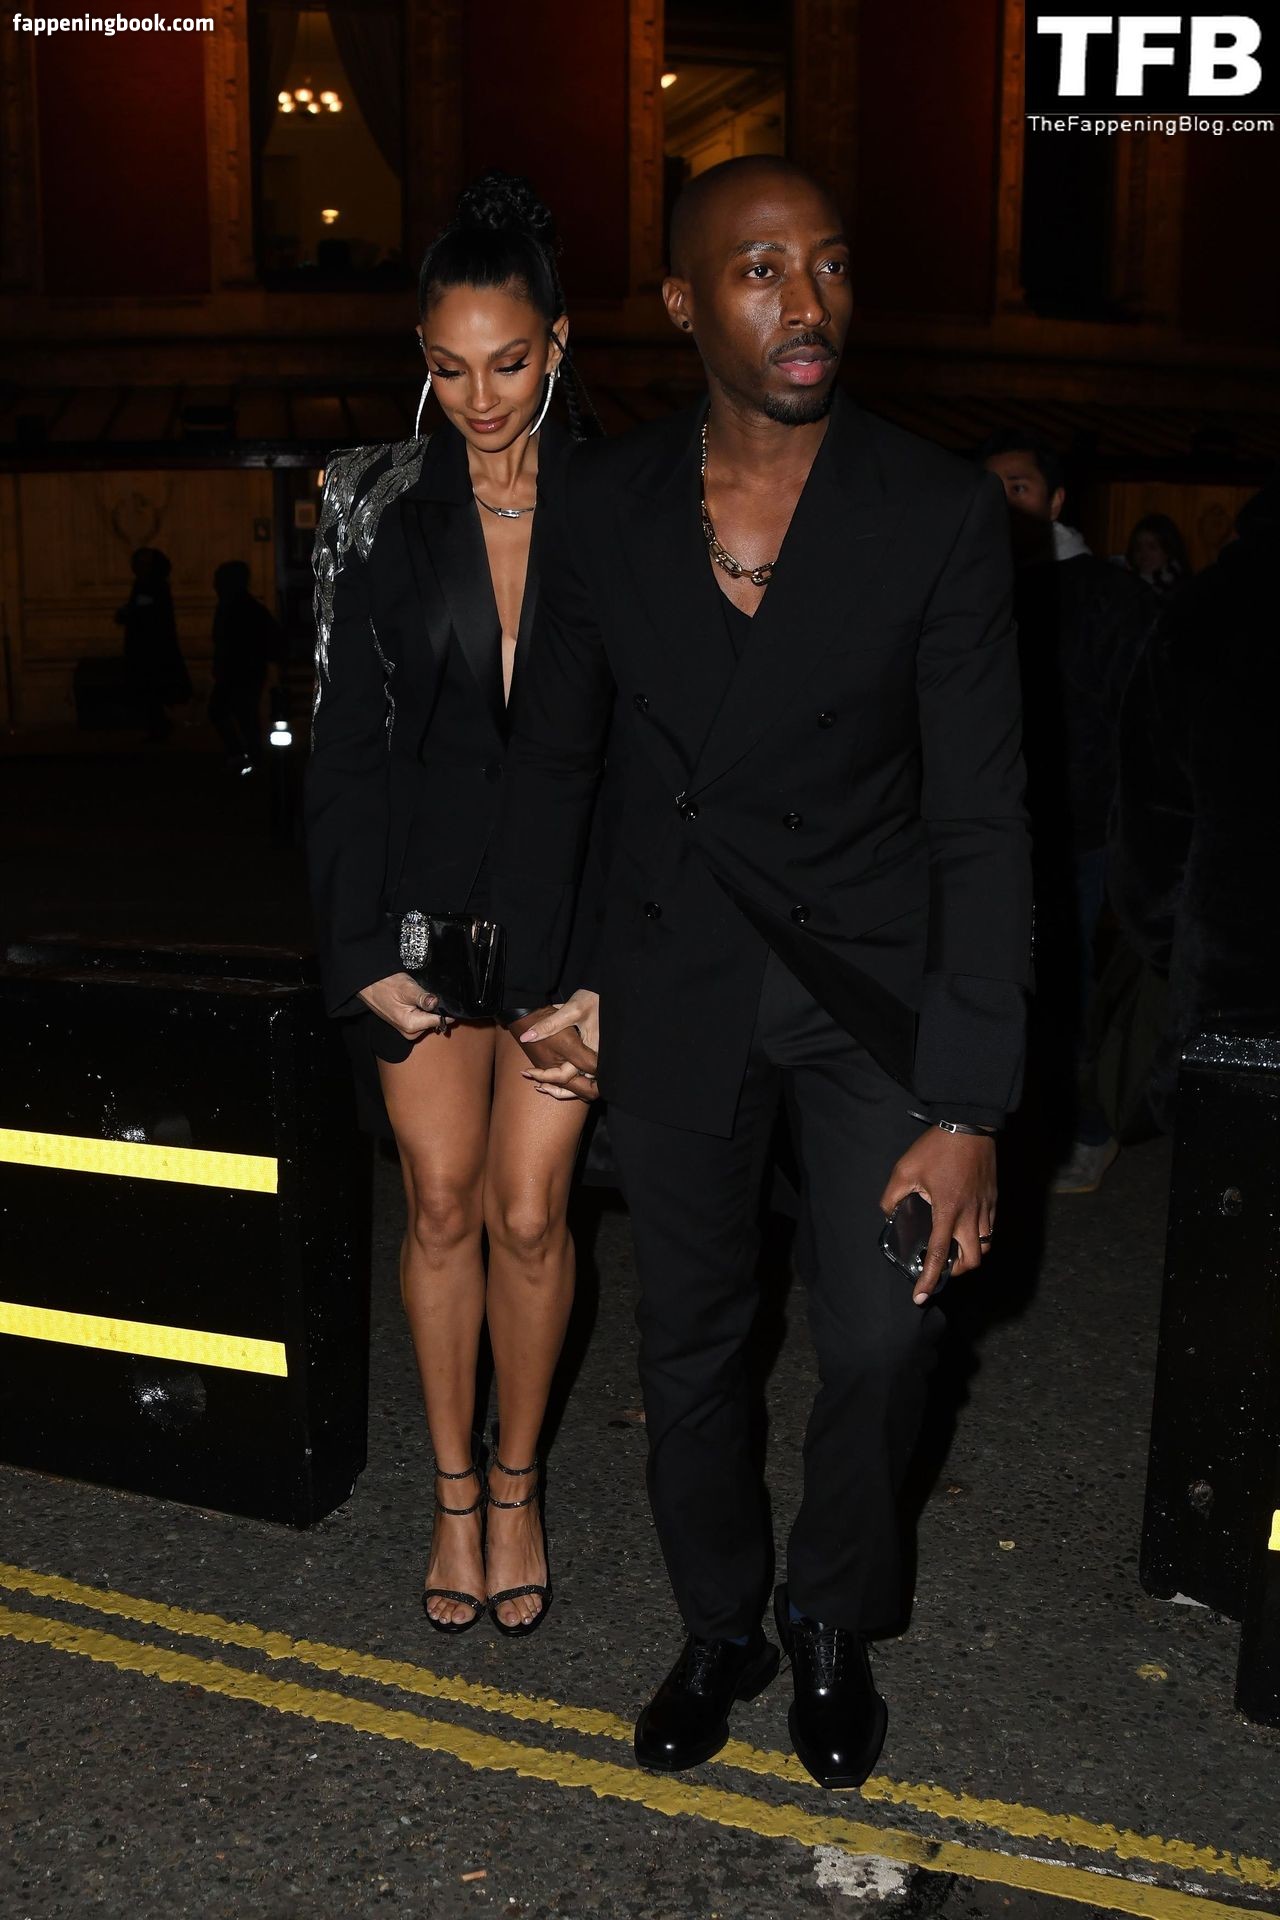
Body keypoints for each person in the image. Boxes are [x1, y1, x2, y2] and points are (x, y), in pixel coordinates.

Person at [491, 156, 1031, 1787]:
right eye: (761, 270)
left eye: (833, 266)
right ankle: (721, 1623)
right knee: (693, 1346)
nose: (810, 305)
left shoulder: (935, 513)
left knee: (884, 1340)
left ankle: (828, 1614)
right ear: (680, 303)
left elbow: (984, 820)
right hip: (676, 978)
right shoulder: (603, 506)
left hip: (872, 996)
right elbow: (555, 762)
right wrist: (548, 977)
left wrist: (969, 1100)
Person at [305, 171, 605, 1639]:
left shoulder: (627, 501)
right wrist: (356, 946)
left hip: (567, 927)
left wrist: (608, 965)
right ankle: (449, 1496)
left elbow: (653, 753)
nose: (480, 399)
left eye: (508, 362)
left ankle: (520, 1482)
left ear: (558, 344)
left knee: (530, 1214)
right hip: (417, 921)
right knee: (437, 1204)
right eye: (448, 366)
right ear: (419, 359)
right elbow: (343, 746)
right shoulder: (374, 506)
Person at [978, 432, 1156, 1193]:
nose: (1002, 503)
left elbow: (1142, 718)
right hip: (982, 827)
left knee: (1062, 983)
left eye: (1018, 487)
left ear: (1054, 501)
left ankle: (1085, 1127)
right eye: (989, 489)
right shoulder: (970, 580)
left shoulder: (1107, 595)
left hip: (1075, 832)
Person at [1110, 479, 1280, 1127]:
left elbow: (1150, 815)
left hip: (1236, 977)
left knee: (1235, 1164)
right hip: (1232, 969)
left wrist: (1171, 942)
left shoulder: (1201, 612)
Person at [209, 560, 284, 772]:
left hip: (241, 670)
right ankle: (249, 755)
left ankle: (246, 755)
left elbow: (228, 641)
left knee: (232, 713)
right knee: (242, 714)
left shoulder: (237, 608)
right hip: (245, 670)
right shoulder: (243, 606)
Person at [115, 546, 192, 742]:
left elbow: (143, 611)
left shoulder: (150, 585)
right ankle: (158, 727)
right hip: (152, 646)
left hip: (149, 648)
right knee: (151, 690)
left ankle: (158, 728)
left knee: (149, 689)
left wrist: (128, 613)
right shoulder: (153, 585)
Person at [1123, 511, 1190, 602]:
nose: (1144, 553)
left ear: (1168, 551)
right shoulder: (1123, 586)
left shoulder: (1186, 591)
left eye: (1152, 547)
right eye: (1138, 547)